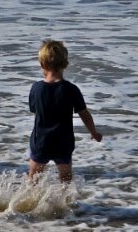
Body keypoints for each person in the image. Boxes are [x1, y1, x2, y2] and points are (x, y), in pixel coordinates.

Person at [28, 39, 102, 183]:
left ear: (42, 64)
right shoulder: (71, 89)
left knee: (33, 178)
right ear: (65, 64)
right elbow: (84, 114)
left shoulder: (36, 88)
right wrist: (93, 132)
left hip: (41, 141)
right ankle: (65, 203)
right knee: (66, 180)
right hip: (63, 142)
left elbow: (36, 113)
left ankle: (28, 203)